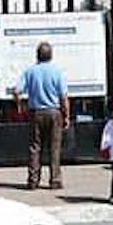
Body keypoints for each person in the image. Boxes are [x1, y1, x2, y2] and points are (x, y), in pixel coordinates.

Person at [13, 42, 70, 190]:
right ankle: (55, 180)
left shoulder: (30, 72)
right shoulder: (57, 72)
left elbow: (17, 91)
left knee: (35, 147)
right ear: (51, 55)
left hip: (36, 112)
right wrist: (66, 115)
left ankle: (33, 180)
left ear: (37, 55)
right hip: (53, 112)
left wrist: (20, 106)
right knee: (54, 147)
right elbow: (63, 97)